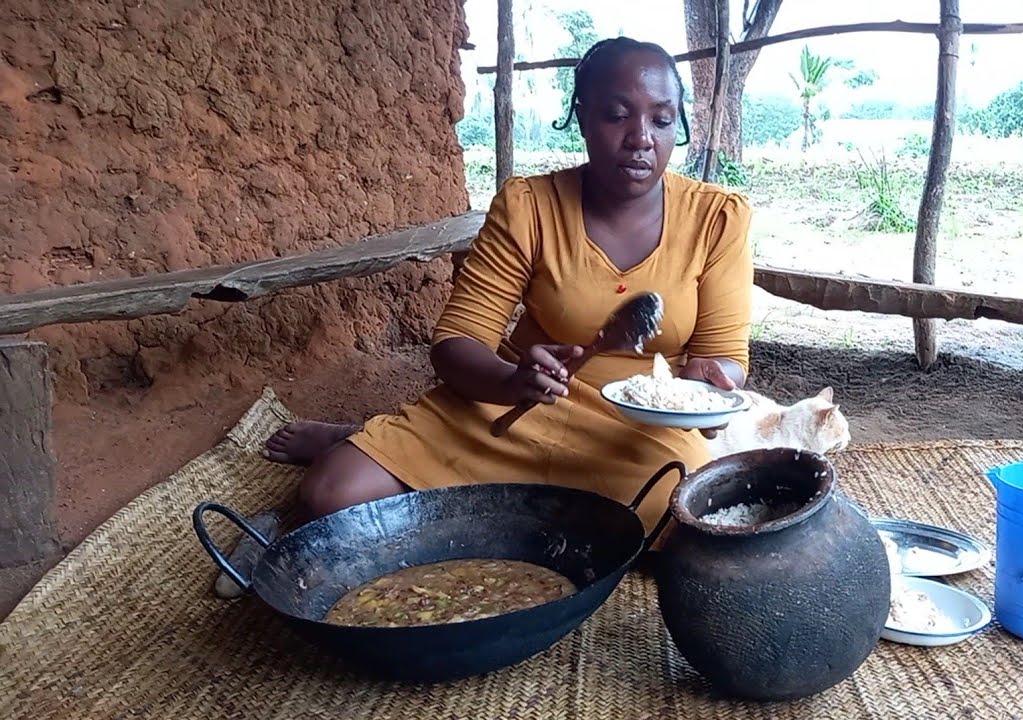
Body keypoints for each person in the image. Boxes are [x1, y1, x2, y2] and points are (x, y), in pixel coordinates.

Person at [214, 36, 754, 598]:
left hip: (636, 433)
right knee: (331, 493)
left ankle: (400, 458)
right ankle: (370, 449)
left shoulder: (717, 219)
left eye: (662, 120)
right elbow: (457, 340)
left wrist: (713, 388)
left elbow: (723, 356)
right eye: (617, 115)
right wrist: (511, 377)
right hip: (514, 407)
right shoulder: (529, 207)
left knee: (692, 526)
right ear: (582, 117)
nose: (641, 139)